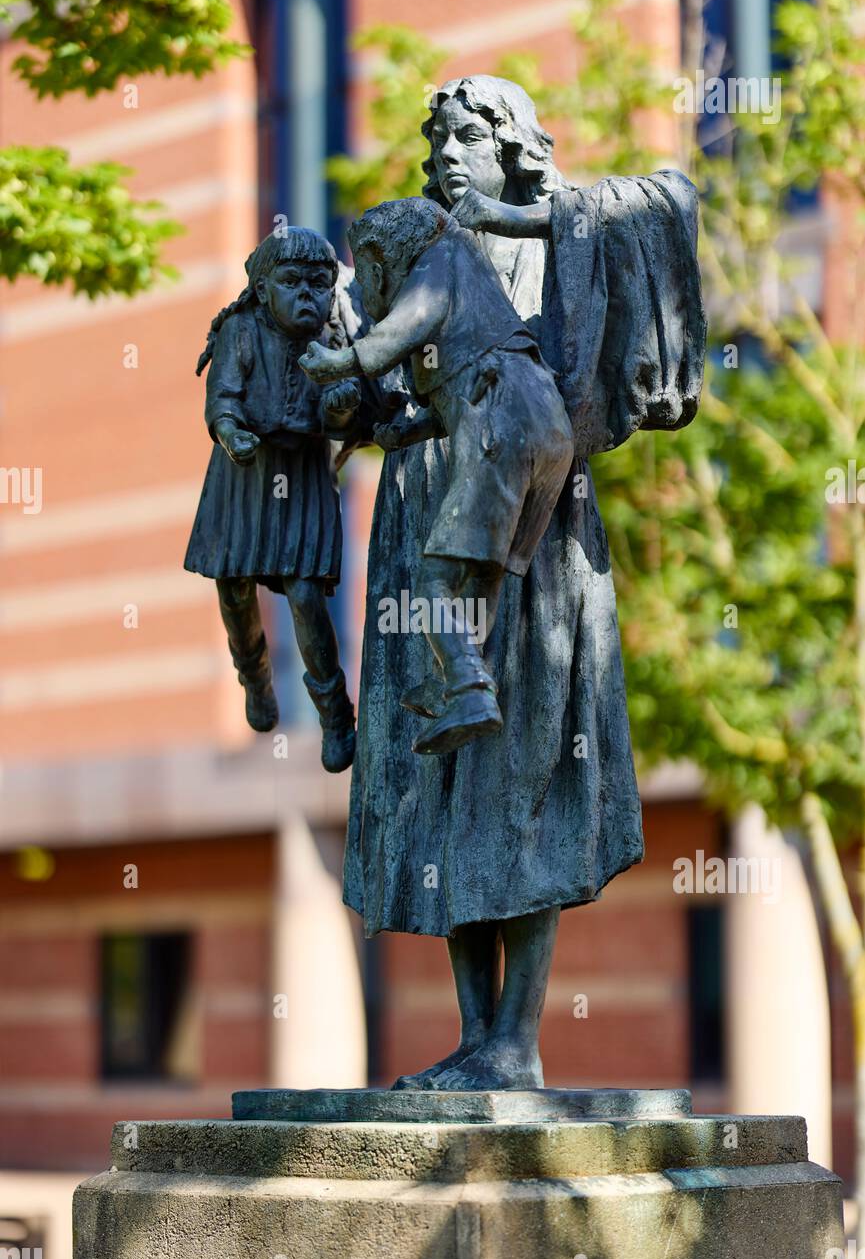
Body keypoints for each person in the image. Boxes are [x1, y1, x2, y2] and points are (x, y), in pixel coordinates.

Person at [344, 77, 706, 1090]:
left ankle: (515, 1039)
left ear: (517, 147)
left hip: (533, 537)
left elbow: (668, 201)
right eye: (441, 138)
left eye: (473, 133)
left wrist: (522, 213)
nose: (450, 152)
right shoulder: (414, 254)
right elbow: (377, 395)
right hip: (426, 520)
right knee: (438, 786)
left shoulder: (563, 231)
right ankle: (475, 1039)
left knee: (525, 771)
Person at [300, 196, 573, 756]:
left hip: (500, 417)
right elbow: (458, 378)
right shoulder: (471, 273)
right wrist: (414, 429)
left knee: (433, 580)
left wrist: (337, 363)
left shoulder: (438, 260)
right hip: (545, 425)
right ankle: (458, 672)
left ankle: (469, 687)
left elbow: (398, 332)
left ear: (378, 262)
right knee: (485, 572)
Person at [185, 228, 359, 773]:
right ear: (262, 290)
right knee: (233, 591)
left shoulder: (334, 338)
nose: (308, 294)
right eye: (292, 282)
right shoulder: (240, 331)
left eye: (320, 283)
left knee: (306, 597)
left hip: (302, 472)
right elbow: (223, 398)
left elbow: (345, 420)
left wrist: (341, 407)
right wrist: (231, 431)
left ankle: (334, 713)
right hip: (245, 472)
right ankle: (255, 679)